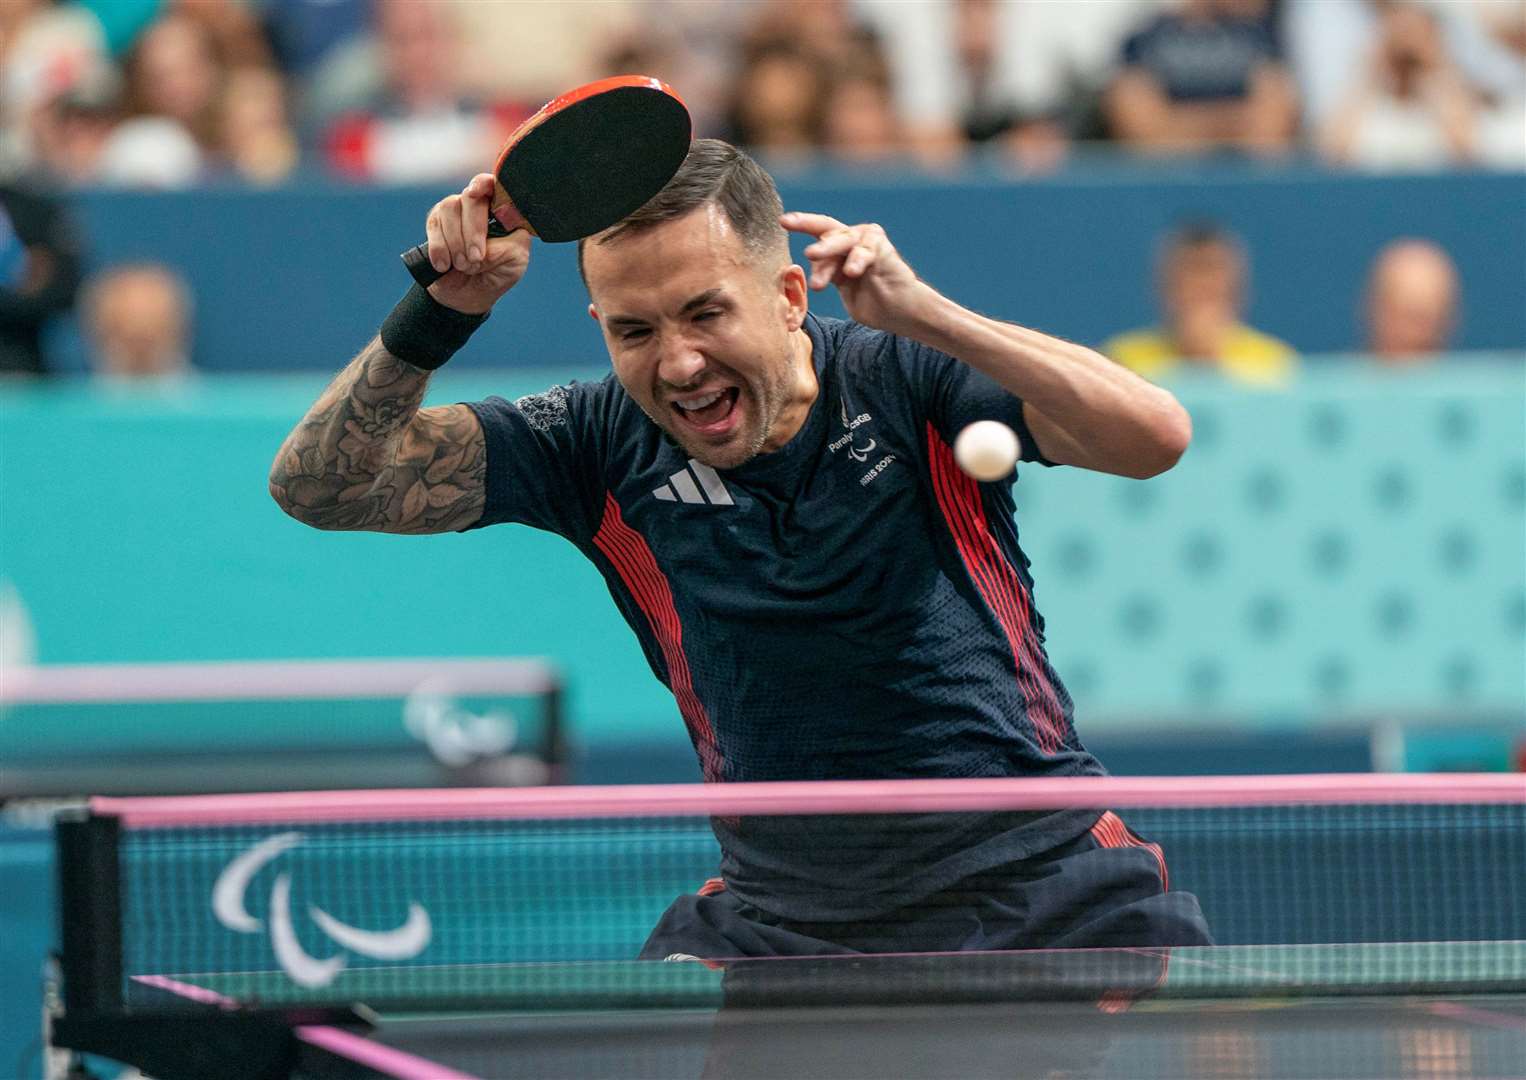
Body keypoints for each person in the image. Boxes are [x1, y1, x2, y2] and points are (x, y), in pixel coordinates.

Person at [269, 139, 1210, 958]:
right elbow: (319, 487)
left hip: (1044, 894)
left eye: (706, 313)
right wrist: (443, 310)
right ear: (601, 330)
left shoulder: (906, 377)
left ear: (790, 295)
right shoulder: (589, 443)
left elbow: (1155, 436)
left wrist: (926, 313)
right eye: (636, 331)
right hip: (784, 921)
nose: (677, 362)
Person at [1104, 221, 1296, 386]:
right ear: (1163, 285)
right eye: (1190, 271)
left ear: (1238, 285)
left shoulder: (1273, 363)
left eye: (1212, 270)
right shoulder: (1121, 361)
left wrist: (1209, 360)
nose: (1202, 285)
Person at [81, 262, 194, 381]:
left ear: (178, 332)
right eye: (128, 339)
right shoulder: (73, 397)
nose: (140, 352)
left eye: (150, 339)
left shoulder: (209, 397)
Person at [1363, 238, 1459, 362]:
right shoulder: (1338, 379)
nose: (1414, 333)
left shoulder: (1477, 379)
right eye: (1404, 314)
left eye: (1422, 316)